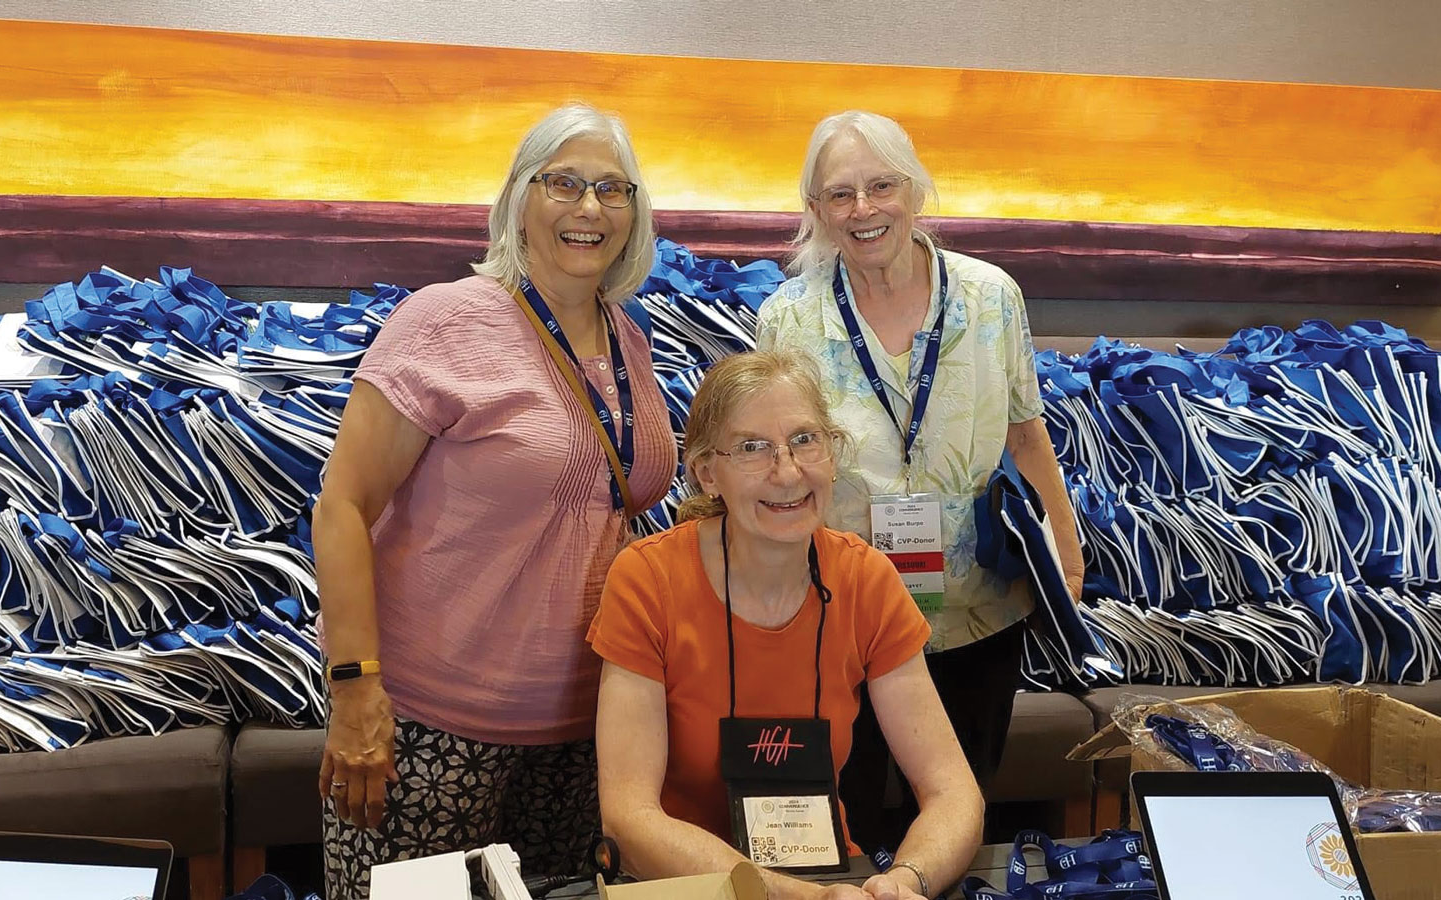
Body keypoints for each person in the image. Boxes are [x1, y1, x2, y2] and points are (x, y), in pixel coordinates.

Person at [313, 103, 677, 898]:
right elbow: (341, 504)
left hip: (591, 730)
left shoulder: (629, 337)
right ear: (519, 197)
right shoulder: (444, 321)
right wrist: (355, 688)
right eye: (565, 183)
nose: (590, 208)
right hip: (433, 730)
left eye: (613, 189)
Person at [756, 111, 1083, 851]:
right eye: (839, 195)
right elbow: (776, 468)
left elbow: (1026, 431)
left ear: (916, 191)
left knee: (958, 814)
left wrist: (1066, 546)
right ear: (814, 212)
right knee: (850, 822)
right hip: (844, 618)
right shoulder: (789, 321)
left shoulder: (992, 296)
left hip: (978, 610)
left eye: (881, 186)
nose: (863, 209)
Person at [591, 350, 983, 900]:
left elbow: (953, 792)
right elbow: (629, 819)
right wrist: (797, 896)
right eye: (753, 448)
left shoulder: (865, 579)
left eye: (805, 439)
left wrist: (905, 881)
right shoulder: (647, 580)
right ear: (707, 472)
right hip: (687, 886)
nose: (788, 471)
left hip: (834, 879)